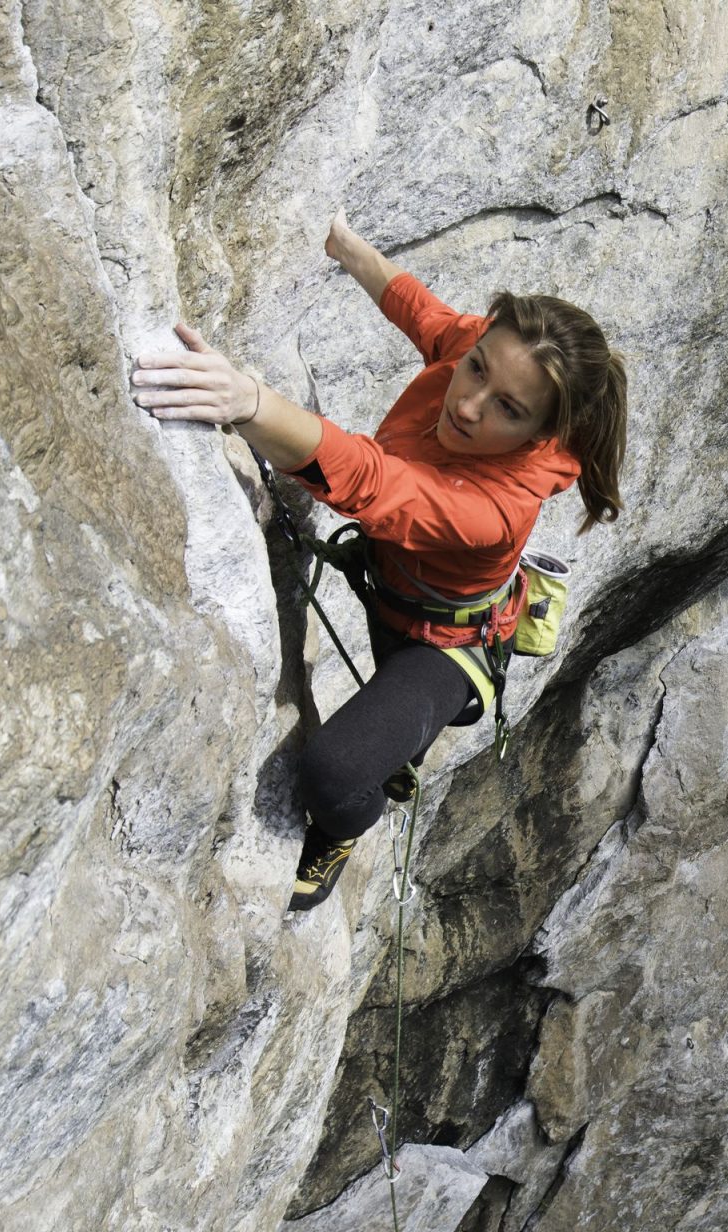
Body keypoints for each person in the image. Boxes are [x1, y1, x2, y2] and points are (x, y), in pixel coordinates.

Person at [130, 211, 626, 910]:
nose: (469, 401)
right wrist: (346, 246)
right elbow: (423, 312)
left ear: (540, 432)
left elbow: (373, 482)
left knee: (331, 774)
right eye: (477, 365)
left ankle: (349, 824)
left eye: (507, 408)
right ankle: (395, 748)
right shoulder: (471, 359)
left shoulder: (496, 509)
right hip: (393, 585)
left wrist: (250, 403)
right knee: (380, 734)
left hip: (444, 647)